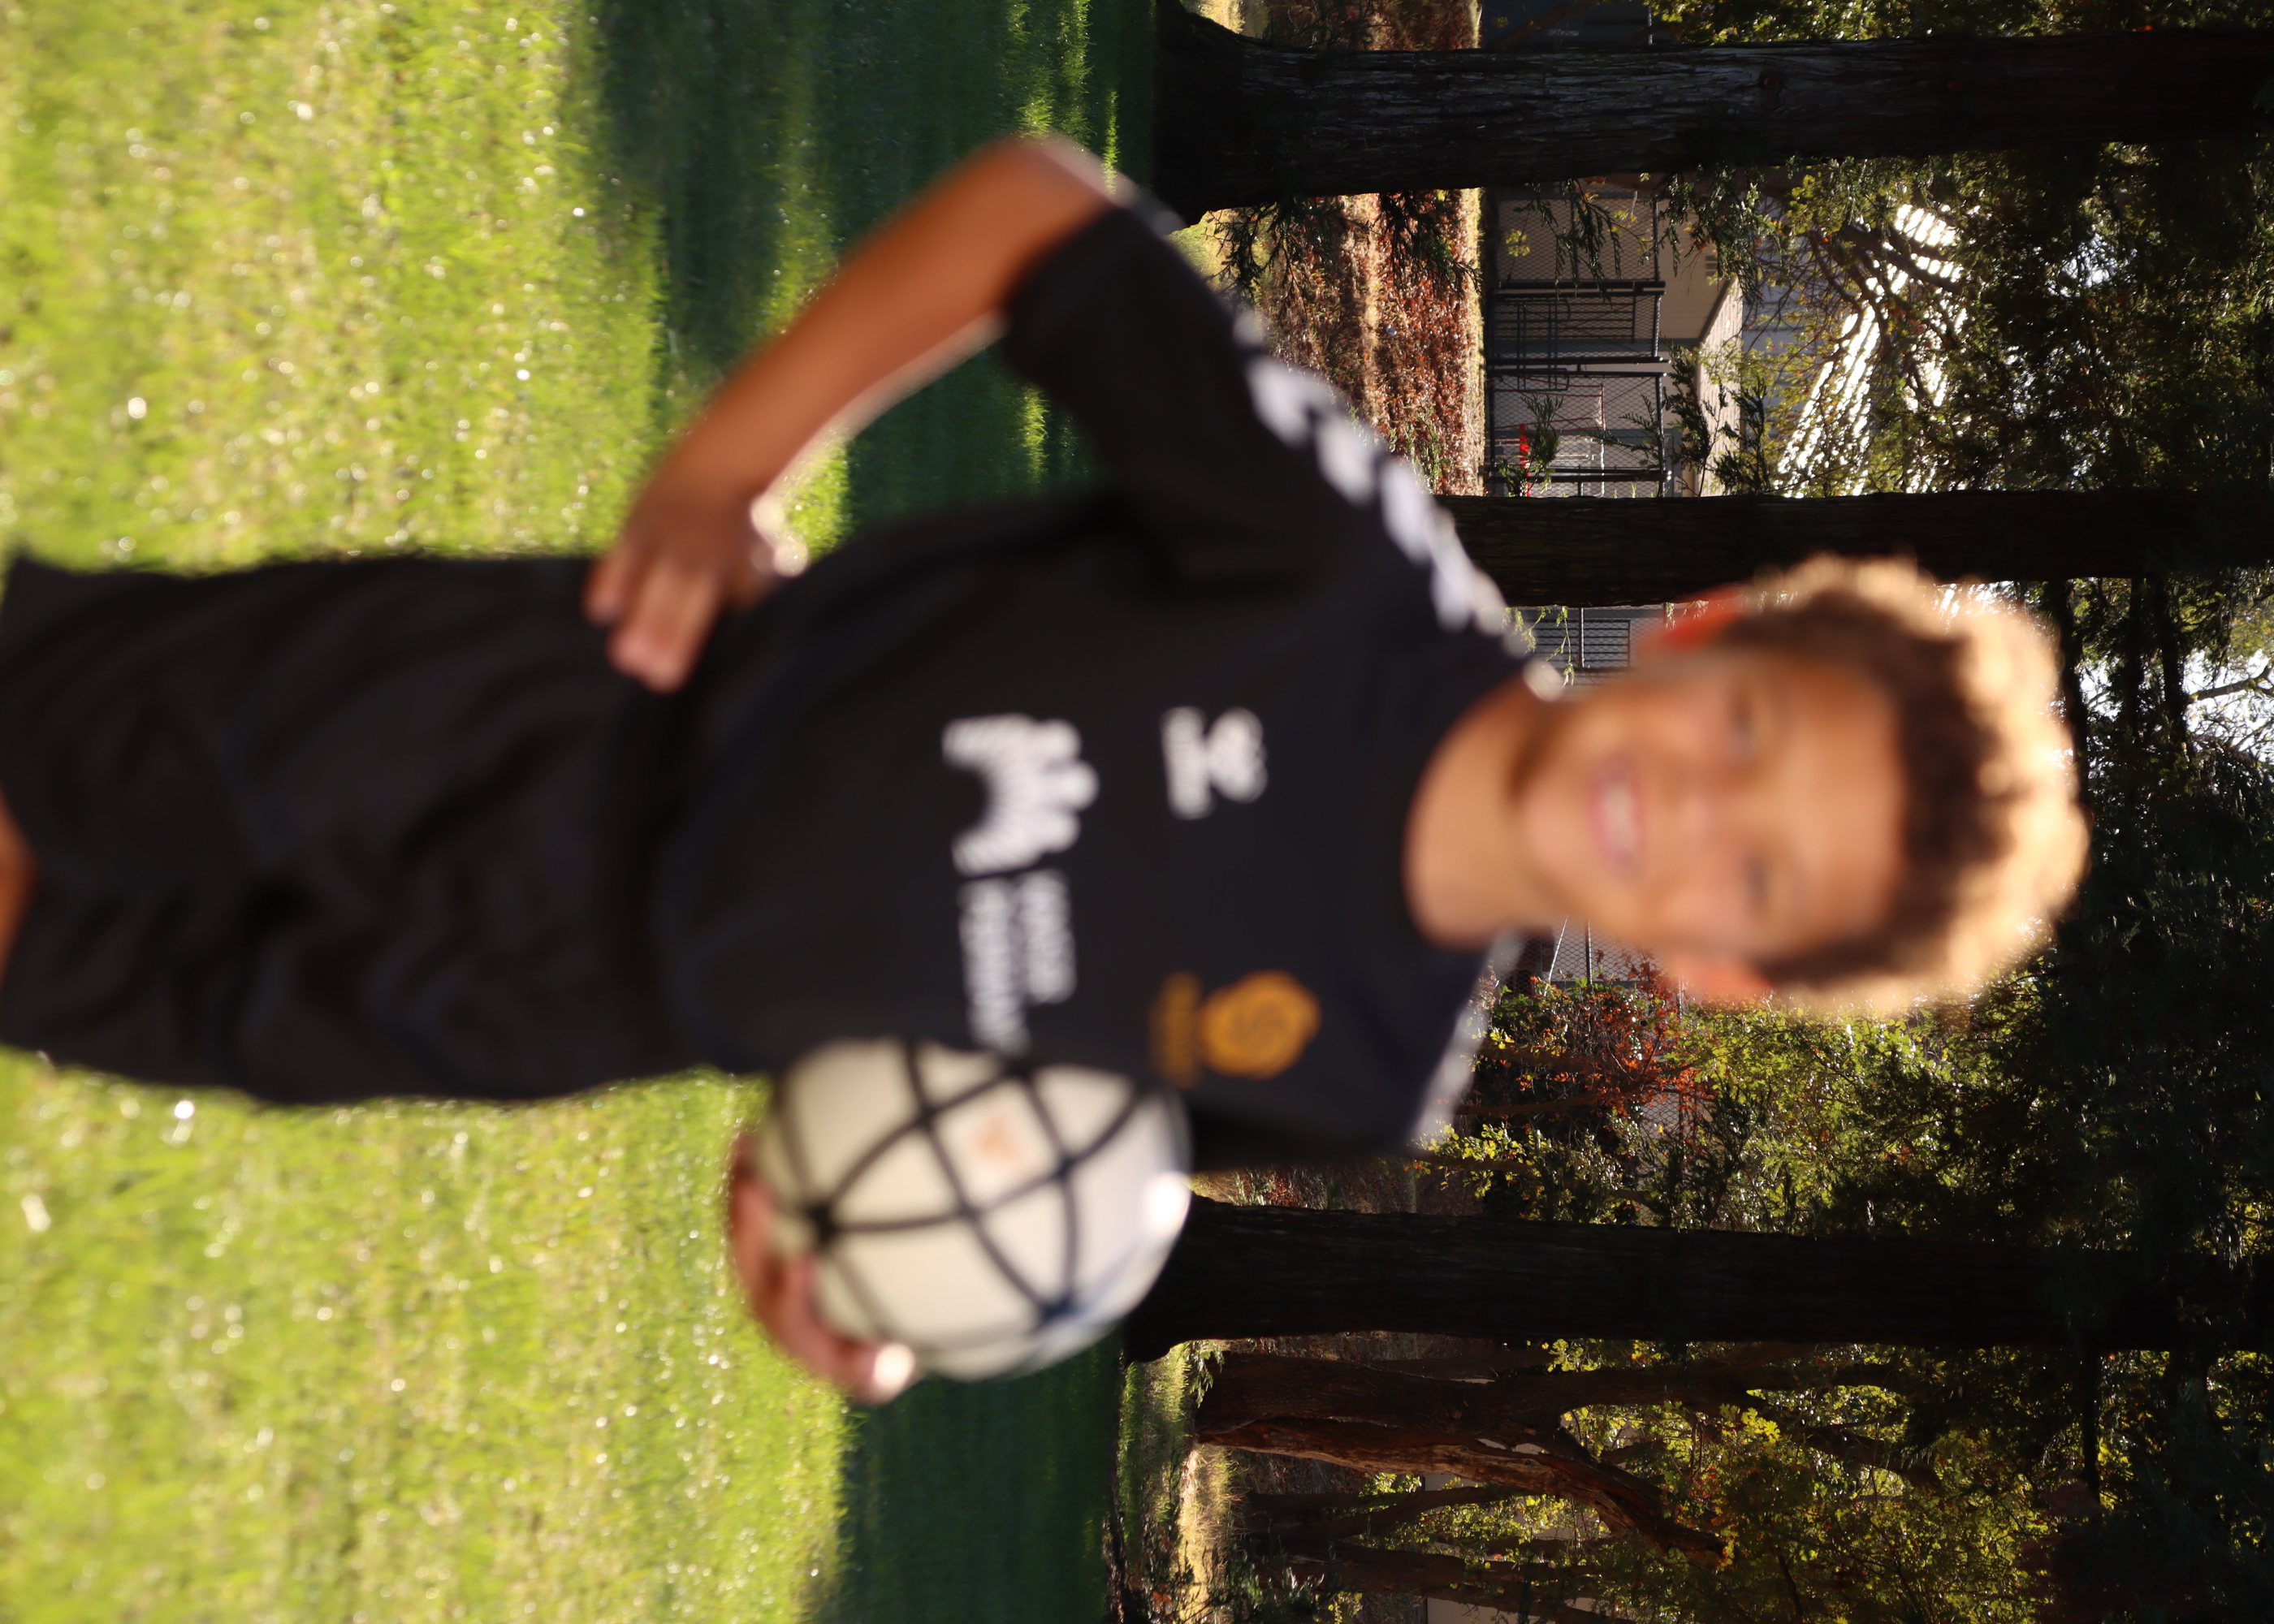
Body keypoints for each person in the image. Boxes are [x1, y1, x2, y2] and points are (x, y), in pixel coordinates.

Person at [0, 138, 2086, 1400]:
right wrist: (730, 469)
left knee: (61, 968)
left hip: (582, 1003)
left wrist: (860, 1255)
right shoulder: (1347, 580)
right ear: (1705, 639)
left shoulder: (1360, 1071)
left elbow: (1004, 1133)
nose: (1696, 813)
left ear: (1718, 970)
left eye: (1754, 874)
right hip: (580, 708)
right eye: (1746, 738)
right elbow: (1033, 215)